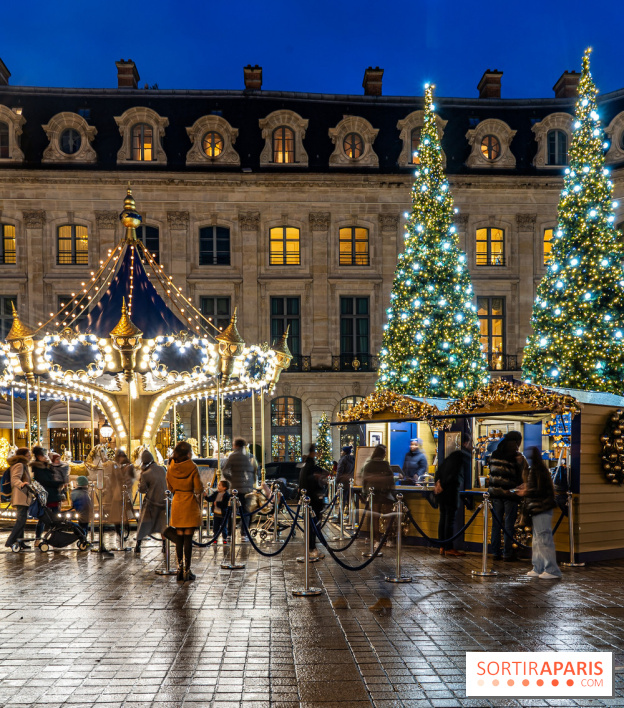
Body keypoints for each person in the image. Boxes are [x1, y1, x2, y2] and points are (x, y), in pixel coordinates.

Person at [516, 447, 561, 579]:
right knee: (538, 540)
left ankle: (552, 569)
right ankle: (539, 567)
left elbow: (538, 490)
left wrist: (526, 491)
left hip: (540, 508)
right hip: (540, 508)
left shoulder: (536, 470)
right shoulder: (539, 469)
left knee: (543, 539)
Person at [166, 441, 203, 581]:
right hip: (189, 503)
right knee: (188, 537)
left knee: (179, 537)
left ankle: (179, 568)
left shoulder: (171, 467)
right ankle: (187, 569)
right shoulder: (192, 467)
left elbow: (169, 487)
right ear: (188, 453)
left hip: (177, 502)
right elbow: (198, 488)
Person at [488, 430, 527, 561]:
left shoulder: (494, 454)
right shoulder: (517, 457)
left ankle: (495, 552)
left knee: (496, 524)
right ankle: (507, 553)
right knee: (509, 524)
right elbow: (523, 476)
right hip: (510, 493)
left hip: (495, 493)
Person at [434, 433, 471, 557]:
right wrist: (443, 485)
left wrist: (438, 485)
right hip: (450, 492)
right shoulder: (463, 456)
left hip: (442, 493)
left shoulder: (450, 456)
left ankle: (442, 546)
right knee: (449, 520)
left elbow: (439, 471)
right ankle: (449, 547)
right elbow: (454, 475)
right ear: (466, 443)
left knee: (443, 518)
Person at [298, 443, 328, 559]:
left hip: (308, 500)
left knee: (310, 526)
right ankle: (312, 549)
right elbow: (315, 481)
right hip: (313, 501)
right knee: (313, 526)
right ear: (313, 452)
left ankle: (311, 548)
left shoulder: (306, 466)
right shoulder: (311, 467)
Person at [135, 450, 167, 554]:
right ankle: (165, 546)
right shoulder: (162, 469)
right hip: (164, 502)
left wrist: (140, 483)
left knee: (143, 523)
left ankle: (138, 545)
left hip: (151, 503)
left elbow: (142, 490)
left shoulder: (146, 474)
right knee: (163, 525)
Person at [30, 446, 63, 547]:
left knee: (56, 518)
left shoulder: (47, 466)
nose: (46, 456)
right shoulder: (38, 468)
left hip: (53, 496)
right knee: (44, 518)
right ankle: (39, 538)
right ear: (39, 456)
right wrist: (57, 483)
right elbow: (45, 482)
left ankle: (55, 537)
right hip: (47, 497)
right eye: (44, 455)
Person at [361, 444, 395, 541]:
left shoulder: (368, 465)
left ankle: (376, 539)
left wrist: (365, 493)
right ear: (382, 454)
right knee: (388, 517)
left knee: (375, 518)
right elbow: (391, 479)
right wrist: (392, 490)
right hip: (386, 494)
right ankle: (387, 537)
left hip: (373, 494)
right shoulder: (385, 464)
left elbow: (364, 481)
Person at [5, 448, 32, 550]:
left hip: (23, 495)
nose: (30, 457)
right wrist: (22, 484)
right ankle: (10, 541)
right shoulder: (20, 465)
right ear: (23, 456)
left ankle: (21, 542)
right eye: (28, 455)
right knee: (21, 520)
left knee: (22, 520)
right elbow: (15, 479)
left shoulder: (23, 465)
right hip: (20, 496)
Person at [106, 450, 135, 546]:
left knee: (126, 513)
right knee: (116, 515)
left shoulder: (129, 467)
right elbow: (112, 479)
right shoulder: (115, 466)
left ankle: (125, 531)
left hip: (125, 492)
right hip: (117, 493)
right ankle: (119, 532)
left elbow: (130, 479)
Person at [221, 438, 255, 514]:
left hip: (234, 486)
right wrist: (248, 483)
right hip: (243, 487)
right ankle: (244, 525)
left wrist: (231, 478)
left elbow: (225, 470)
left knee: (231, 509)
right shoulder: (245, 457)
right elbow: (250, 471)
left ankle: (230, 525)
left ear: (236, 446)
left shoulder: (233, 456)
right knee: (244, 508)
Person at [207, 479, 231, 544]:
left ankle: (224, 538)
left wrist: (217, 504)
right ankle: (215, 538)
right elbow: (211, 499)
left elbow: (225, 504)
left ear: (224, 488)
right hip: (216, 513)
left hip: (223, 514)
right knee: (215, 527)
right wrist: (205, 496)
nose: (218, 486)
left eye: (219, 485)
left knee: (223, 527)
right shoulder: (216, 493)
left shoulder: (227, 495)